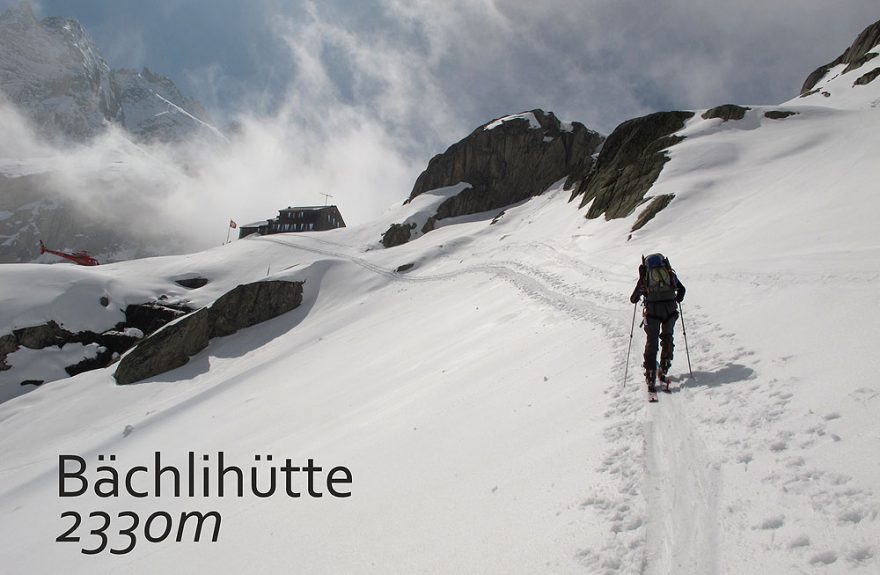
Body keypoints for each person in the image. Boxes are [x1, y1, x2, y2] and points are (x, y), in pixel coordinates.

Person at [629, 253, 686, 392]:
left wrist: (642, 282)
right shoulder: (669, 274)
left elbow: (633, 299)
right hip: (670, 310)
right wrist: (676, 298)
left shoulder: (646, 277)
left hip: (653, 312)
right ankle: (665, 365)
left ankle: (650, 374)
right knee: (667, 337)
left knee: (651, 342)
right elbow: (682, 290)